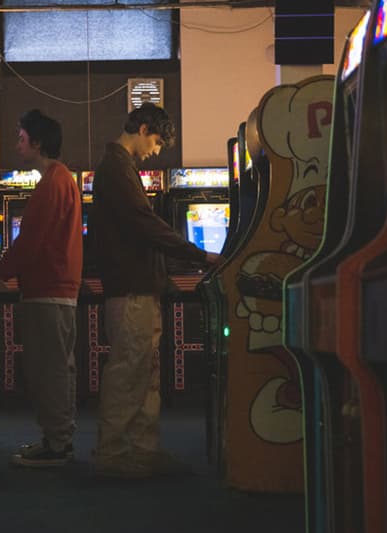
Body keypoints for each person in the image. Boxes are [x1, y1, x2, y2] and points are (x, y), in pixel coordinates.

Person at [89, 103, 220, 478]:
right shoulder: (114, 168)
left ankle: (142, 452)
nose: (158, 151)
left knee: (145, 374)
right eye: (158, 141)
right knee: (129, 373)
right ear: (143, 127)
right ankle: (114, 456)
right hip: (130, 289)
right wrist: (199, 255)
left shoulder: (122, 167)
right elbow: (145, 225)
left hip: (141, 288)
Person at [0, 109, 83, 468]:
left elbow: (30, 242)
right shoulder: (62, 179)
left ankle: (57, 444)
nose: (17, 144)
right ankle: (57, 438)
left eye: (21, 137)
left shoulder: (52, 183)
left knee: (50, 369)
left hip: (48, 290)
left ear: (38, 142)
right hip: (56, 288)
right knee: (57, 367)